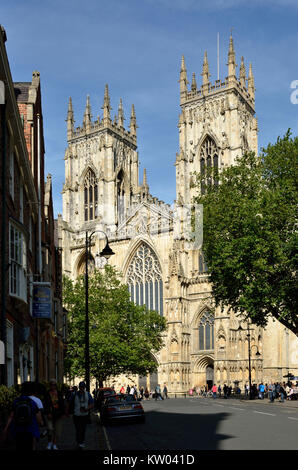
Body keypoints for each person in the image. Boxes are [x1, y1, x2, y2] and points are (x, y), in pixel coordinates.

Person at [3, 381, 42, 450]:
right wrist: (39, 424)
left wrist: (6, 428)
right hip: (30, 430)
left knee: (19, 446)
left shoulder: (16, 401)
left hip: (18, 429)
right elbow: (38, 418)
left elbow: (11, 416)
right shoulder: (32, 402)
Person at [67, 381, 94, 450]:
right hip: (76, 415)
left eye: (83, 387)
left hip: (85, 415)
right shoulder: (74, 394)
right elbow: (69, 403)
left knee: (83, 430)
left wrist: (87, 408)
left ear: (84, 387)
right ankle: (79, 442)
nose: (82, 388)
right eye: (81, 387)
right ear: (79, 387)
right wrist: (67, 412)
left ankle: (81, 442)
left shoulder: (88, 394)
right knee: (78, 429)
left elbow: (92, 404)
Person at [46, 379, 66, 450]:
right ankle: (49, 443)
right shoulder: (47, 393)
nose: (53, 386)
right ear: (50, 385)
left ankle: (54, 444)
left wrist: (63, 413)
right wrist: (48, 413)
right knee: (50, 429)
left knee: (57, 431)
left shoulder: (59, 393)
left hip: (58, 414)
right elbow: (45, 404)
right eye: (51, 384)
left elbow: (62, 404)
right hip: (50, 415)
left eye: (54, 385)